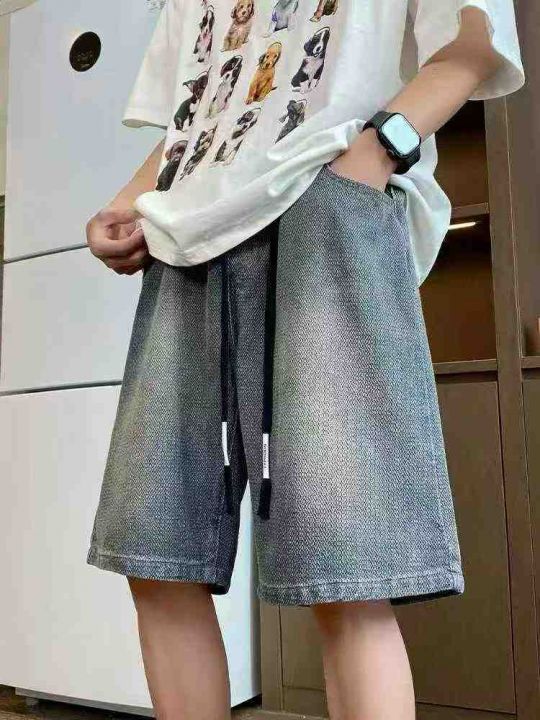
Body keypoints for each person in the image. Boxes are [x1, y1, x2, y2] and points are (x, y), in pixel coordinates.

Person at [85, 1, 524, 718]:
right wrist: (132, 198)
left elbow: (473, 44)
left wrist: (375, 153)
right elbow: (196, 113)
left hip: (325, 202)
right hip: (182, 239)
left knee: (346, 571)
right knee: (155, 555)